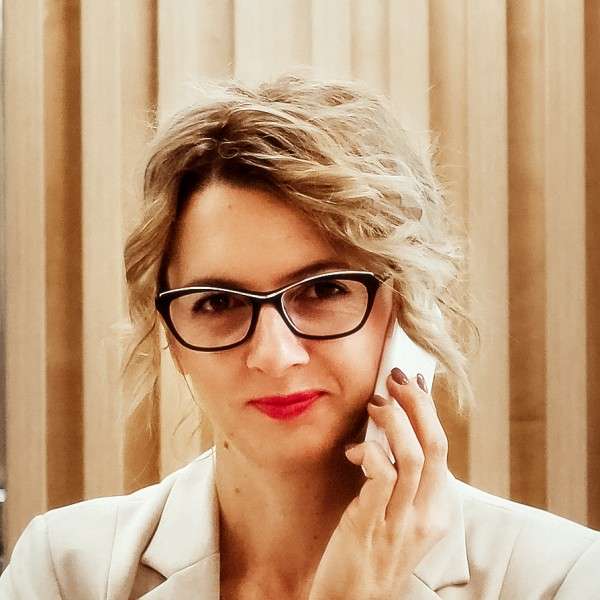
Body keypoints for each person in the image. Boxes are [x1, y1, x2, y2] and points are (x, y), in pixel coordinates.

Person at [1, 71, 598, 599]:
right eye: (217, 302)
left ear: (404, 306)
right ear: (171, 337)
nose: (274, 355)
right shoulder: (65, 572)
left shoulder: (557, 578)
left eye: (324, 290)